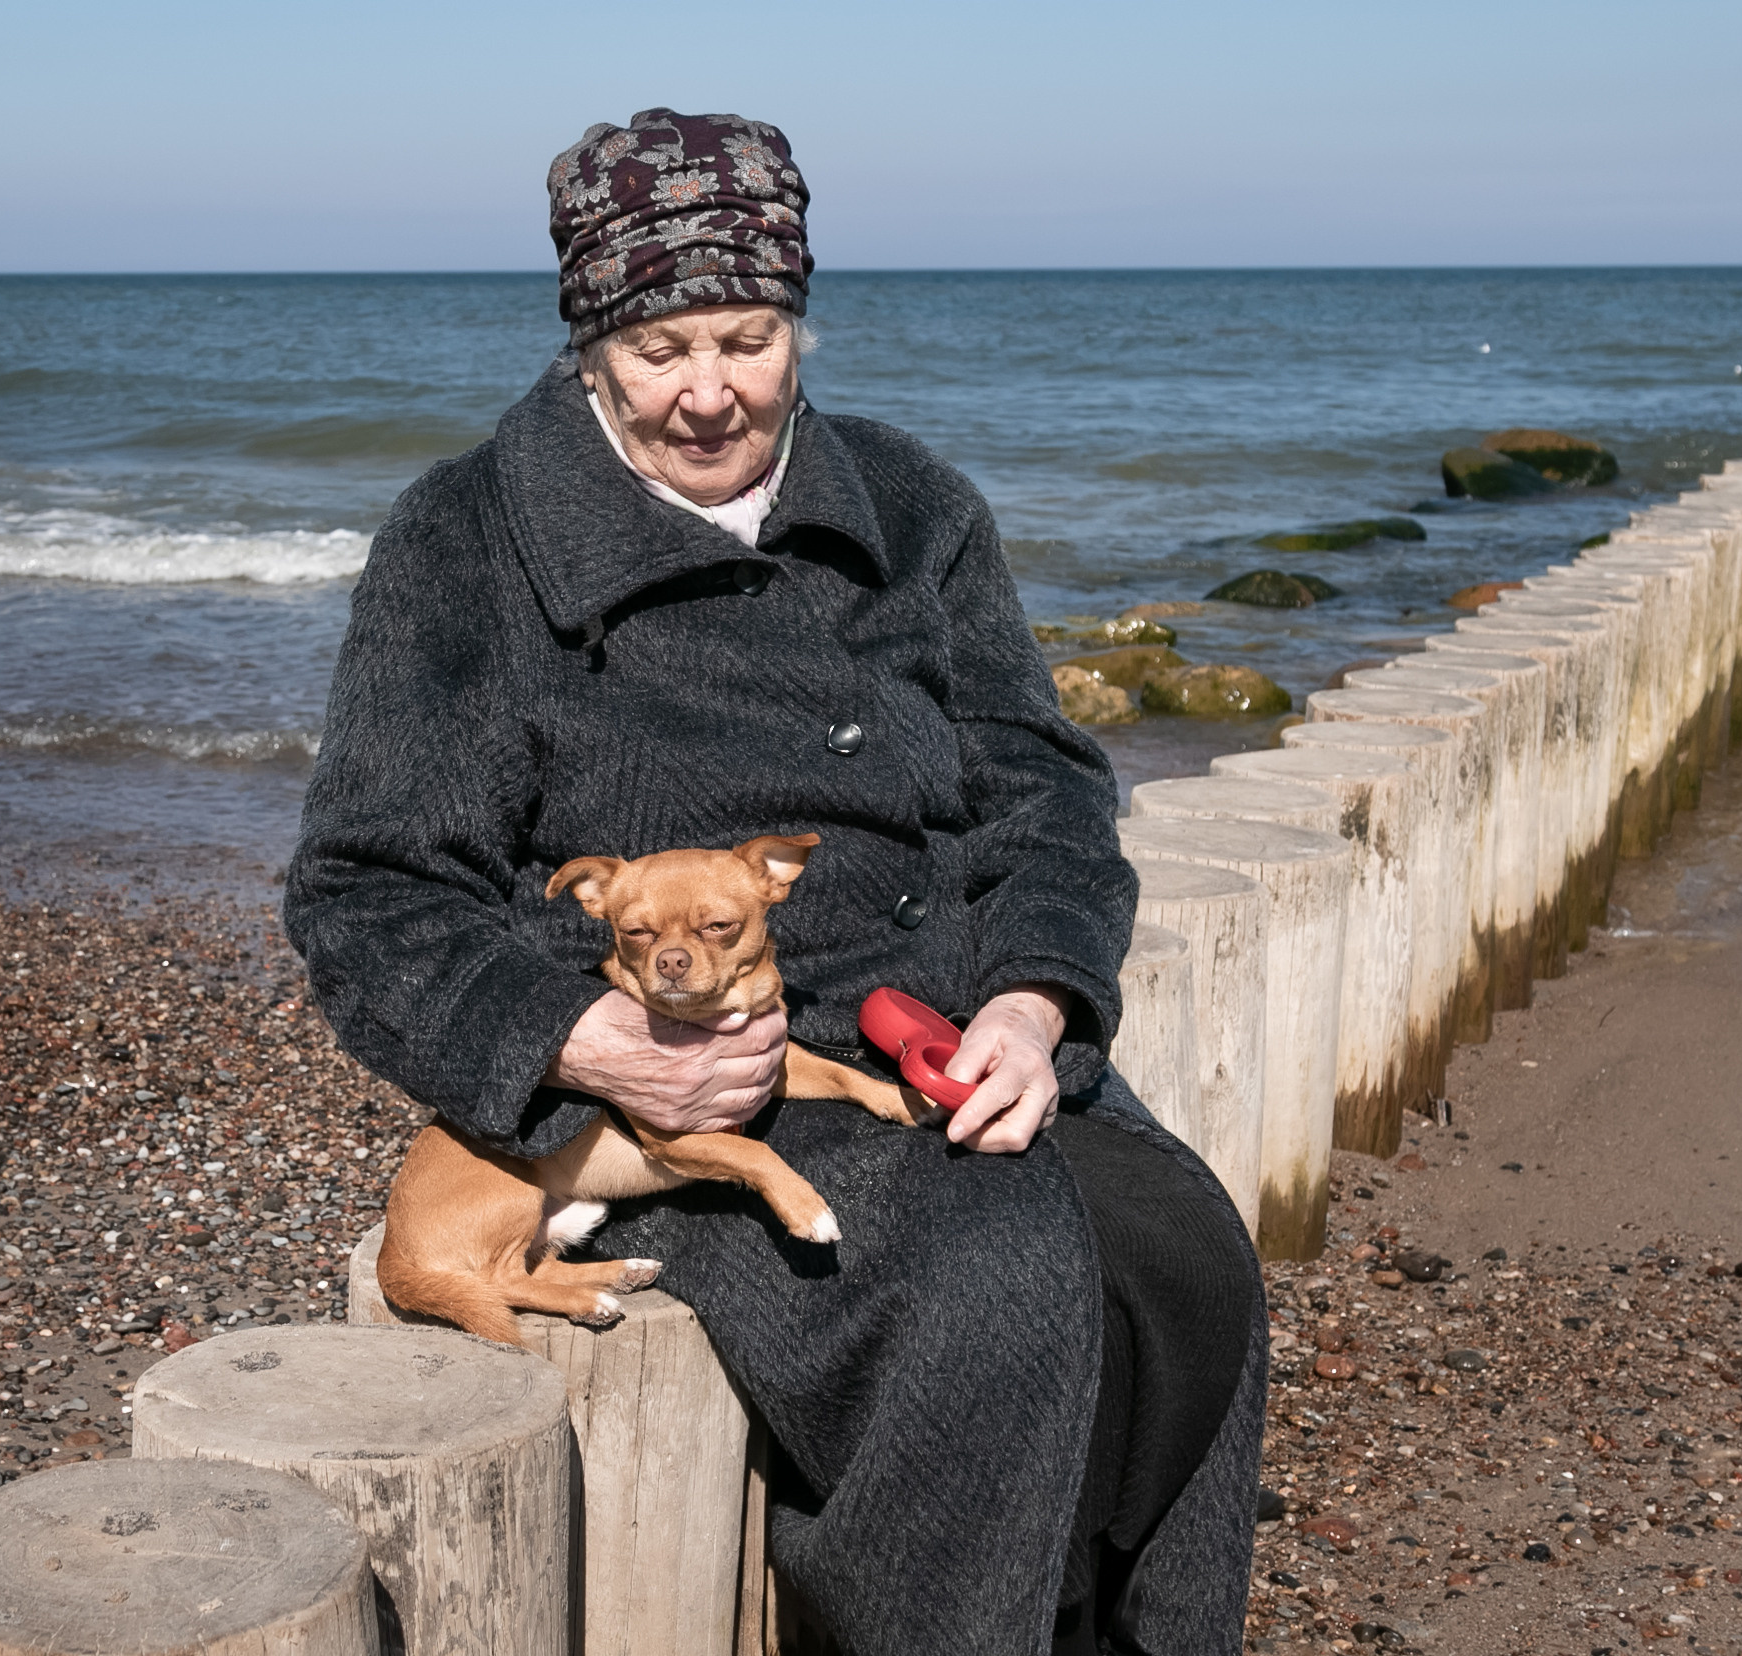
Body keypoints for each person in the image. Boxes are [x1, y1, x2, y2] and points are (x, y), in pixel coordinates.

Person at [286, 107, 1266, 1655]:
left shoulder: (913, 504)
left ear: (799, 321)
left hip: (947, 1027)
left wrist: (1034, 1000)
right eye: (658, 349)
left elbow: (1043, 787)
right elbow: (367, 887)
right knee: (993, 1297)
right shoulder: (463, 543)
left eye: (747, 339)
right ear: (589, 349)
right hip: (689, 1080)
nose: (707, 391)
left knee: (1185, 1258)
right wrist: (580, 1042)